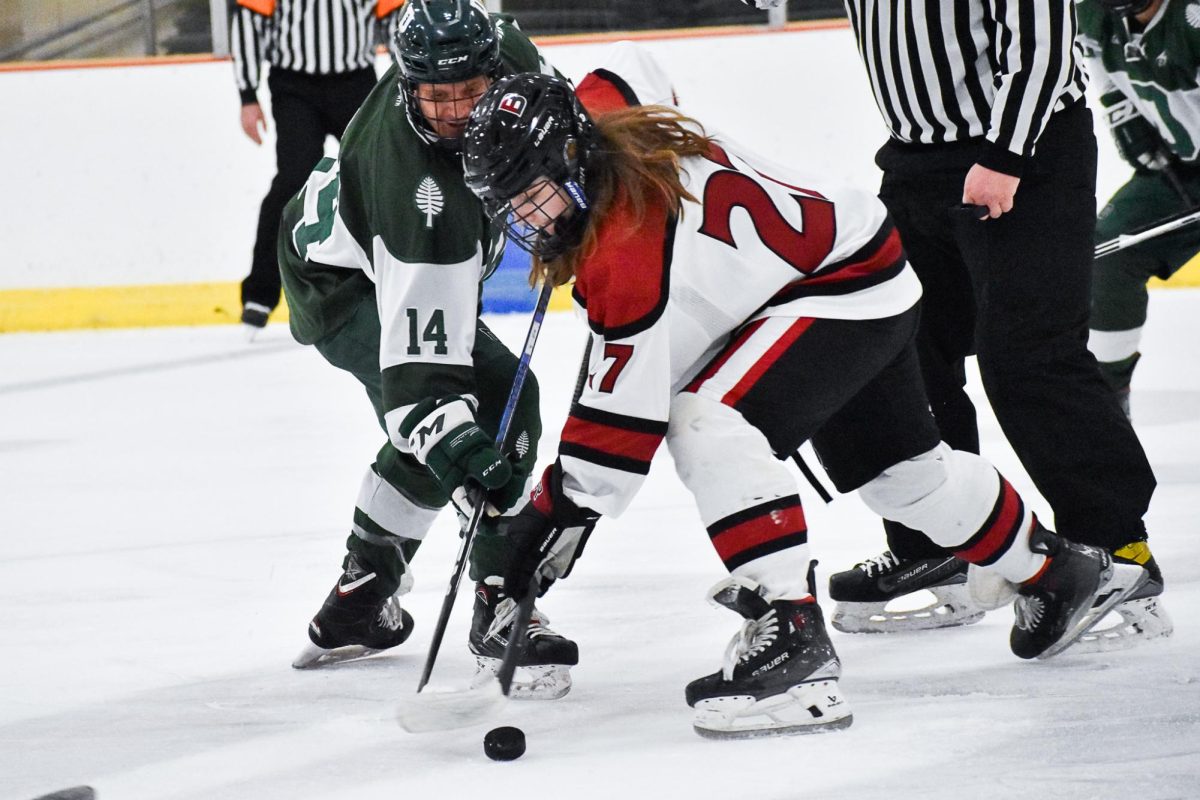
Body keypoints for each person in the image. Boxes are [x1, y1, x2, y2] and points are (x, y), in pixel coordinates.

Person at [460, 72, 1147, 739]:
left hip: (829, 289)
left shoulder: (626, 257)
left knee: (707, 420)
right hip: (863, 260)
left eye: (533, 195)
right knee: (909, 480)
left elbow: (610, 447)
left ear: (572, 158)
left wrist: (536, 530)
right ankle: (1056, 571)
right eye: (509, 203)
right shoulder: (607, 108)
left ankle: (790, 636)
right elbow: (627, 66)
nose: (524, 217)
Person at [734, 0, 1169, 649]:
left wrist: (1006, 155)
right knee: (899, 351)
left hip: (1027, 150)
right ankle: (944, 544)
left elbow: (1042, 44)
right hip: (916, 163)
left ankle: (1114, 546)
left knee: (1028, 356)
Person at [278, 0, 577, 699]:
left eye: (468, 93)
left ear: (492, 70)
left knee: (484, 409)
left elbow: (569, 118)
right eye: (434, 96)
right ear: (407, 81)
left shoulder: (505, 52)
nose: (453, 114)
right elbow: (422, 390)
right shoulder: (424, 202)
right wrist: (467, 458)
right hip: (347, 288)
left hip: (358, 254)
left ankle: (361, 591)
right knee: (495, 404)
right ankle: (500, 605)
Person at [230, 0, 403, 337]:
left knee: (377, 177)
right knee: (292, 182)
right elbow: (250, 24)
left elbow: (396, 22)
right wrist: (247, 95)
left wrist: (412, 81)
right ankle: (260, 294)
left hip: (355, 82)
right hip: (294, 87)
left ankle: (400, 277)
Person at [1078, 0, 1200, 421]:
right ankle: (1109, 400)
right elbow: (1100, 71)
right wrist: (1122, 115)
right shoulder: (1090, 16)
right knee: (1112, 251)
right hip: (1180, 171)